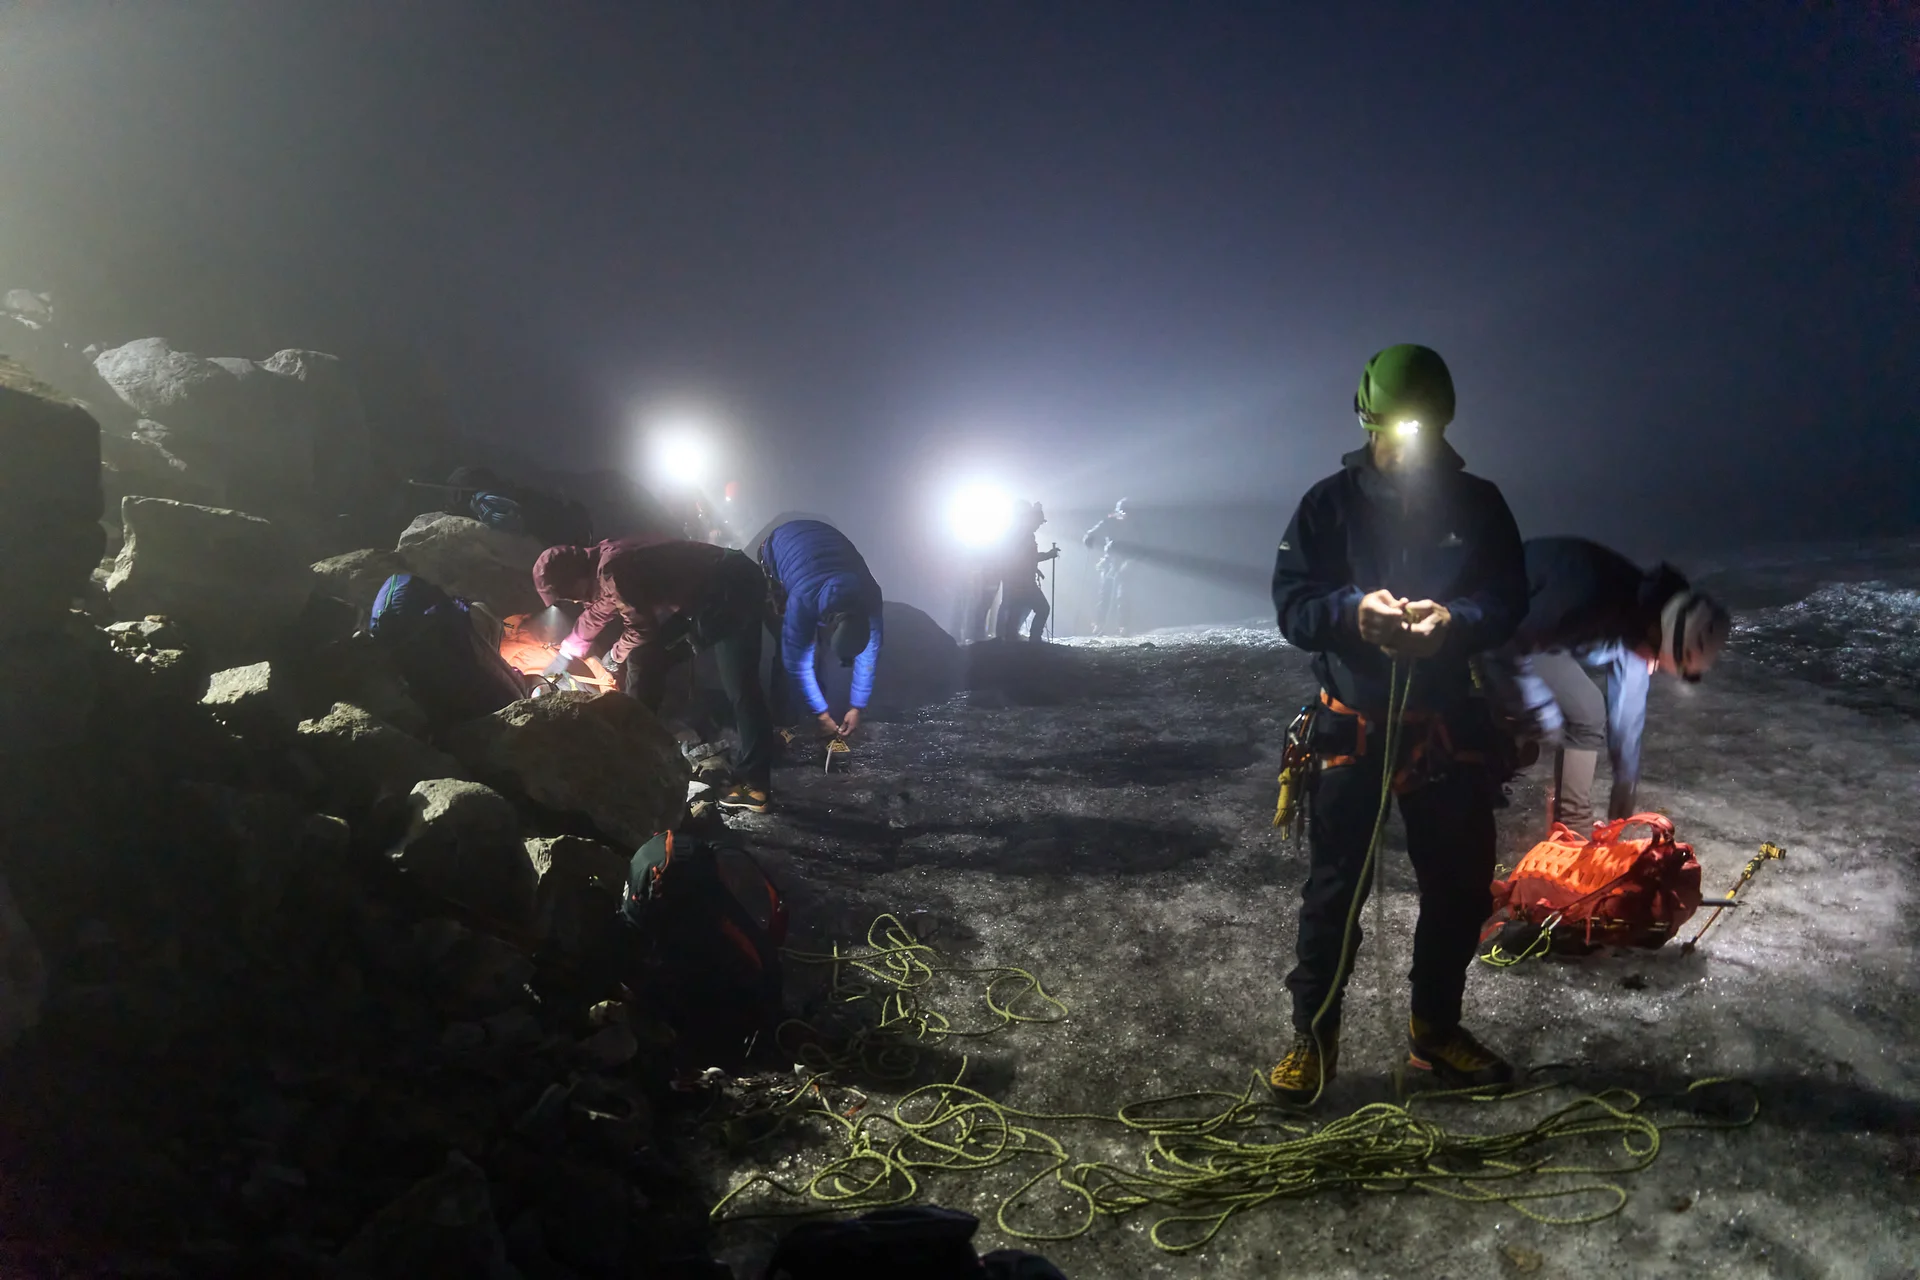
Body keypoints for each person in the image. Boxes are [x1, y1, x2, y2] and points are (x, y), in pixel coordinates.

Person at [1267, 343, 1529, 1103]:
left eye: (1419, 430)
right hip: (1353, 727)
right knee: (1335, 893)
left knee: (1460, 889)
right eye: (1391, 430)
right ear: (1366, 419)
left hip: (1445, 730)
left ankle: (1434, 1029)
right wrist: (1353, 614)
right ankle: (1313, 1035)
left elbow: (1507, 598)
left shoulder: (1479, 505)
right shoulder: (1327, 506)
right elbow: (1293, 604)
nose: (1404, 445)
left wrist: (1455, 620)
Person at [1479, 537, 1731, 832]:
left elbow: (1627, 710)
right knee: (1525, 720)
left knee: (1587, 712)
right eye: (1658, 660)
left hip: (1539, 638)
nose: (1653, 668)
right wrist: (1534, 708)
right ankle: (1485, 761)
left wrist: (1625, 784)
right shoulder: (1587, 594)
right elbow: (1506, 642)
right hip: (1492, 620)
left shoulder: (1644, 621)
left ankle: (1571, 828)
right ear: (1657, 633)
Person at [532, 538, 775, 813]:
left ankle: (755, 785)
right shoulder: (601, 566)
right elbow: (598, 612)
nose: (573, 601)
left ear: (574, 577)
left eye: (568, 595)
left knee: (740, 686)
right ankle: (637, 742)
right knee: (645, 658)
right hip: (714, 588)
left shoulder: (613, 571)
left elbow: (641, 629)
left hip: (732, 587)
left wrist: (614, 655)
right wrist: (567, 652)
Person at [758, 518, 884, 740]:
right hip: (777, 548)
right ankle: (783, 721)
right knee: (786, 642)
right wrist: (821, 714)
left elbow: (869, 656)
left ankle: (817, 703)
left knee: (821, 647)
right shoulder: (802, 600)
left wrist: (857, 706)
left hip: (819, 544)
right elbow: (797, 664)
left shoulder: (870, 598)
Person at [995, 502, 1059, 642]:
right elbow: (1028, 557)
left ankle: (1009, 639)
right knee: (1042, 608)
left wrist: (1034, 568)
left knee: (1015, 609)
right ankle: (1034, 639)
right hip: (1023, 581)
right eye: (1038, 522)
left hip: (1014, 579)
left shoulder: (1018, 533)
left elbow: (1021, 558)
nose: (1039, 525)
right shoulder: (1024, 535)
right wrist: (1049, 555)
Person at [1081, 498, 1132, 635]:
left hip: (1126, 562)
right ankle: (1099, 624)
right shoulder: (1109, 522)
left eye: (1127, 512)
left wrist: (1131, 562)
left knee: (1123, 595)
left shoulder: (1133, 525)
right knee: (1105, 593)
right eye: (1122, 512)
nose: (1125, 515)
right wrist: (1089, 539)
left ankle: (1123, 626)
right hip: (1110, 561)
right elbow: (1092, 533)